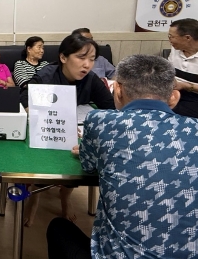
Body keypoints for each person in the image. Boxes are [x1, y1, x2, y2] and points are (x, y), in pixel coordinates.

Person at [48, 54, 197, 259]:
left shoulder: (101, 121)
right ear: (174, 97)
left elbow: (88, 164)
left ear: (117, 90)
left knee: (58, 228)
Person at [20, 34, 115, 227]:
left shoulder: (91, 79)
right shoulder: (45, 76)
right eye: (81, 57)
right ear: (63, 57)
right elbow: (21, 102)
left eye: (92, 59)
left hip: (76, 131)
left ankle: (66, 194)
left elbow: (111, 109)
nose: (87, 65)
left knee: (78, 152)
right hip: (43, 129)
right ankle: (35, 193)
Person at [168, 18, 198, 118]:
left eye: (172, 36)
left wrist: (186, 86)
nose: (170, 40)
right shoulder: (175, 49)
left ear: (187, 38)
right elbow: (169, 70)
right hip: (173, 92)